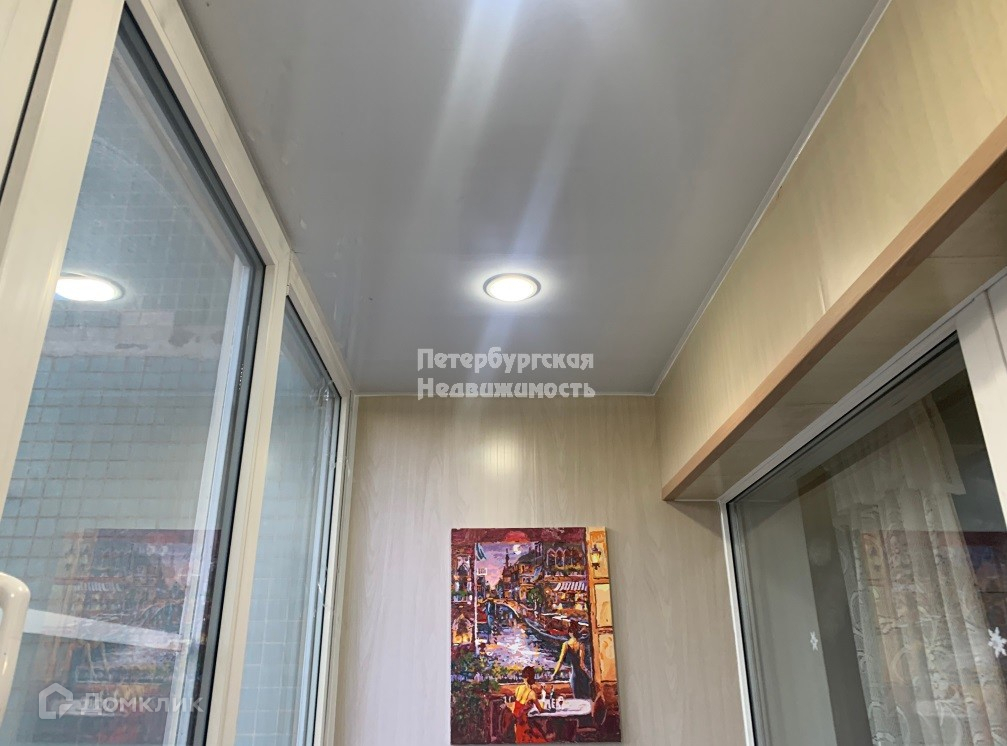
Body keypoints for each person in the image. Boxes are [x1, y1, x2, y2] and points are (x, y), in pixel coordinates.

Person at [552, 621, 591, 699]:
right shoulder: (581, 644)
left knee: (577, 699)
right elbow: (582, 664)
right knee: (586, 700)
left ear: (569, 633)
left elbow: (560, 661)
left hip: (574, 677)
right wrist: (589, 675)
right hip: (583, 677)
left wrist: (554, 674)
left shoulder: (566, 644)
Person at [511, 666, 549, 743]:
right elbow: (540, 710)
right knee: (543, 738)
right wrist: (544, 700)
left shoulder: (518, 689)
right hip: (524, 724)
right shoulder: (532, 694)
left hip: (516, 724)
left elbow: (517, 706)